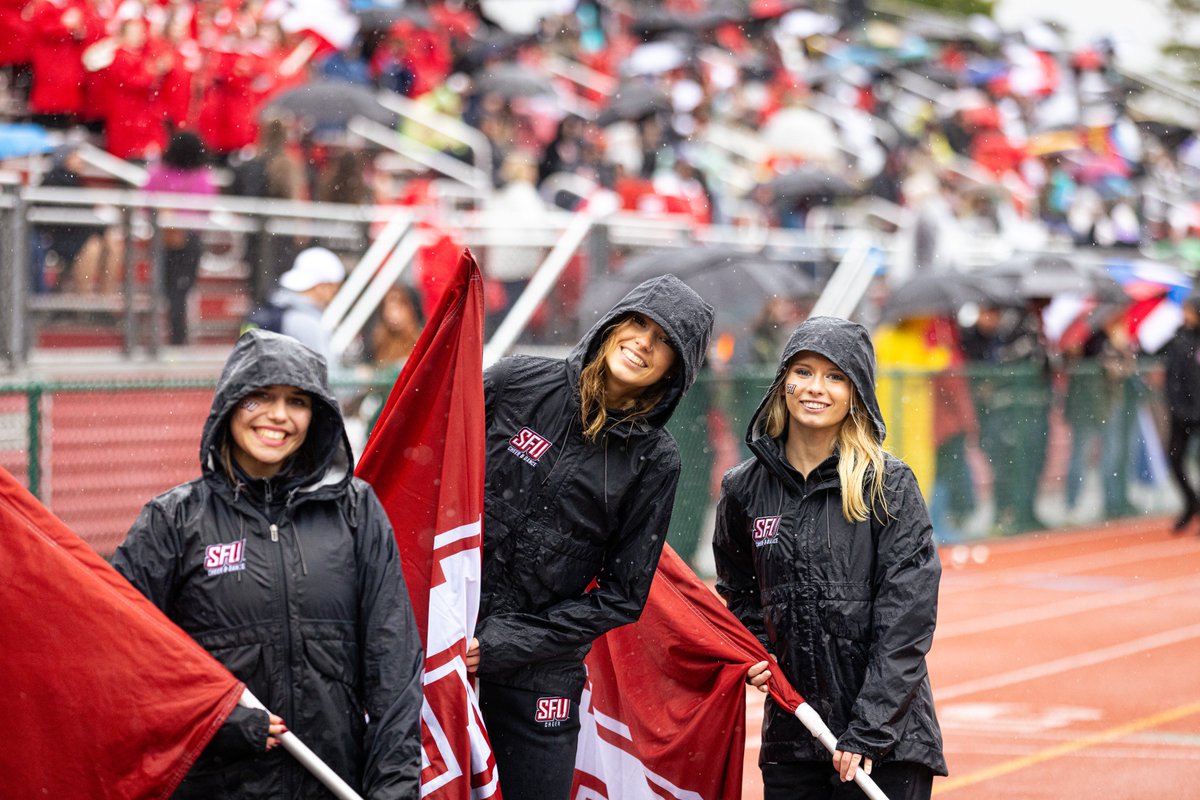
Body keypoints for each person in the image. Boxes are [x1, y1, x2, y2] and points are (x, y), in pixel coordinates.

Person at [111, 329, 423, 799]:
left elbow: (394, 669)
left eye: (297, 401)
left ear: (316, 415)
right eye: (260, 396)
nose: (279, 415)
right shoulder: (172, 521)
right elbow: (122, 658)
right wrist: (217, 721)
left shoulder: (356, 512)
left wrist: (394, 792)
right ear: (231, 403)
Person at [466, 274, 714, 800]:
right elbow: (431, 476)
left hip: (540, 675)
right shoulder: (515, 382)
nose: (643, 343)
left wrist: (500, 644)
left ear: (677, 369)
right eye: (638, 324)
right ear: (612, 324)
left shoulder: (657, 461)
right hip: (444, 640)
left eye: (664, 340)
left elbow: (622, 596)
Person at [713, 316, 947, 800]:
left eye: (835, 376)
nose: (815, 388)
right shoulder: (743, 489)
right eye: (802, 372)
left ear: (855, 393)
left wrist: (869, 728)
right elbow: (740, 593)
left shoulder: (889, 485)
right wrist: (756, 648)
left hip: (887, 744)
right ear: (782, 383)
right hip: (794, 739)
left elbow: (906, 620)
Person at [144, 130, 216, 345]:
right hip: (188, 238)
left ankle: (170, 332)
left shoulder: (159, 174)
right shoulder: (201, 177)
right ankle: (178, 334)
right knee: (182, 289)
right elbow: (206, 208)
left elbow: (145, 203)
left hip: (164, 237)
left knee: (167, 288)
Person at [257, 246, 346, 367]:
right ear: (321, 287)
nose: (333, 297)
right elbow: (327, 374)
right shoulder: (307, 324)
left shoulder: (270, 309)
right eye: (334, 289)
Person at [1161, 293, 1200, 533]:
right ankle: (1191, 502)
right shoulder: (1179, 338)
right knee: (1174, 458)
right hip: (1181, 412)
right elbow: (1173, 376)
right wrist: (1177, 405)